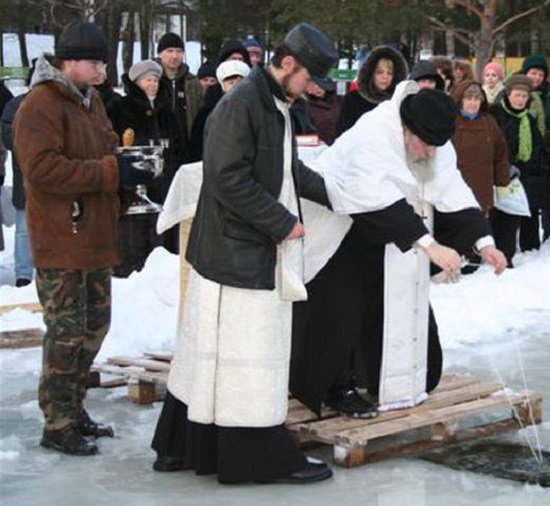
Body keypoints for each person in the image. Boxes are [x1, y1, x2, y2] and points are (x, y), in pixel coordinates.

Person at [151, 22, 338, 484]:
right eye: (308, 77)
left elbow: (287, 171)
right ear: (288, 62)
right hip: (238, 258)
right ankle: (256, 456)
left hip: (240, 251)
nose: (312, 88)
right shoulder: (241, 105)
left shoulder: (275, 104)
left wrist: (338, 195)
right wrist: (282, 223)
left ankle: (182, 447)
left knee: (208, 356)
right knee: (248, 359)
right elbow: (227, 178)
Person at [291, 83, 507, 418]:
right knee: (343, 305)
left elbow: (453, 189)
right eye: (426, 146)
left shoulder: (434, 140)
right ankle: (336, 387)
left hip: (391, 231)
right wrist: (430, 245)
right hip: (342, 223)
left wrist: (485, 243)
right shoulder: (373, 135)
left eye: (437, 147)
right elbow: (376, 199)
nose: (431, 154)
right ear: (407, 130)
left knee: (388, 302)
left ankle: (384, 379)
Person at [13, 21, 156, 456]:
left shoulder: (91, 102)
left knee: (96, 326)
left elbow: (107, 148)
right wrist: (112, 173)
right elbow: (43, 170)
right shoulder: (40, 106)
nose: (101, 70)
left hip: (93, 235)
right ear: (68, 62)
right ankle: (56, 422)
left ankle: (73, 410)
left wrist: (129, 170)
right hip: (60, 239)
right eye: (94, 62)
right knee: (66, 333)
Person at [106, 59, 179, 276]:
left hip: (162, 185)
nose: (153, 84)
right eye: (148, 79)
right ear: (137, 82)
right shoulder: (120, 108)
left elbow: (178, 145)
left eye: (156, 79)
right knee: (132, 240)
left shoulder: (167, 111)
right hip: (131, 189)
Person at [490, 74, 545, 264]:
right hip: (497, 172)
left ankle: (507, 255)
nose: (520, 100)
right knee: (495, 215)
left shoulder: (528, 119)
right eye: (517, 95)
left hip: (521, 176)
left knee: (512, 215)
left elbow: (537, 147)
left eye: (524, 96)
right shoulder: (495, 114)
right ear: (508, 94)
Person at [520, 53, 550, 241]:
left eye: (540, 74)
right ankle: (527, 240)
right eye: (533, 73)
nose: (536, 78)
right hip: (523, 160)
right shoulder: (515, 94)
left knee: (549, 203)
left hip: (547, 160)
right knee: (526, 204)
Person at [450, 79, 510, 214]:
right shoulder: (450, 122)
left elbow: (500, 154)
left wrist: (502, 182)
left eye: (477, 99)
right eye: (469, 99)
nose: (473, 103)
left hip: (483, 188)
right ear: (460, 100)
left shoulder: (488, 122)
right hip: (455, 189)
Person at [2, 66, 36, 287]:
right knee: (24, 230)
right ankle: (23, 274)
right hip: (25, 172)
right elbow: (6, 134)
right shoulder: (16, 104)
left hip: (55, 175)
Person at [336, 46, 408, 137]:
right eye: (379, 72)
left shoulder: (398, 102)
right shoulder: (353, 100)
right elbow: (342, 135)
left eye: (389, 73)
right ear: (371, 73)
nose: (385, 77)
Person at [155, 32, 202, 164]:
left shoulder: (192, 82)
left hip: (186, 149)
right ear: (160, 53)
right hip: (159, 148)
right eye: (169, 51)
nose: (174, 56)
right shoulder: (152, 80)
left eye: (179, 51)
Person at [305, 76, 342, 145]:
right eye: (313, 85)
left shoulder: (341, 102)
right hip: (317, 147)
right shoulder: (304, 107)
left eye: (320, 84)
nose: (317, 88)